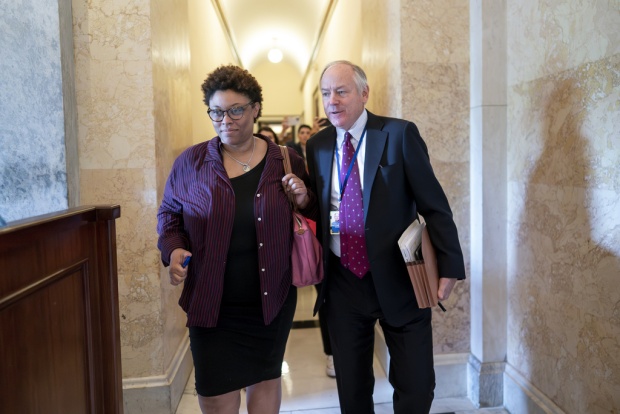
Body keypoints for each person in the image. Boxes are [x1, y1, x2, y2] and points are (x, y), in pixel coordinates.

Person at [305, 60, 466, 413]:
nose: (332, 101)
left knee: (416, 385)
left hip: (401, 278)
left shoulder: (399, 134)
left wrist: (450, 266)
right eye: (326, 93)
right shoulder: (316, 145)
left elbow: (434, 205)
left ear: (364, 93)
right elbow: (321, 207)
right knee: (352, 389)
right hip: (343, 281)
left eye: (342, 91)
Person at [157, 64, 315, 414]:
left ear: (256, 108)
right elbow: (169, 215)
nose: (225, 120)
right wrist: (174, 249)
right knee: (214, 394)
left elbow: (311, 213)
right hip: (211, 300)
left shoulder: (286, 161)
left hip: (271, 298)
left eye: (236, 110)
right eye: (216, 111)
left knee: (265, 380)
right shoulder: (191, 162)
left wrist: (303, 198)